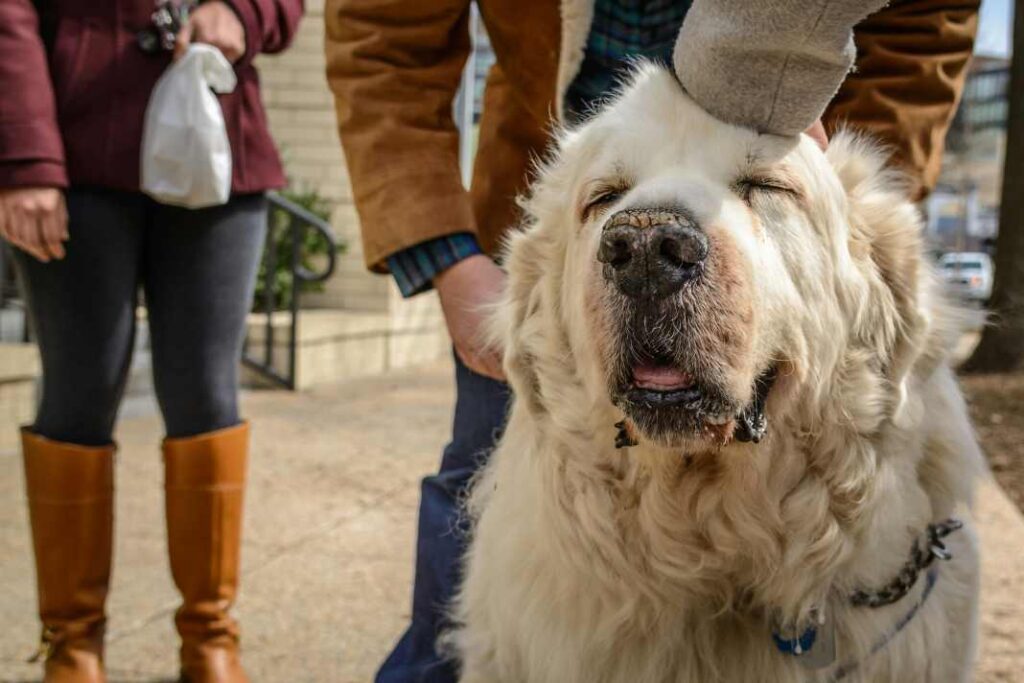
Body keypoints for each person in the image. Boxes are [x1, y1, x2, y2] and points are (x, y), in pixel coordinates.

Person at [324, 1, 979, 680]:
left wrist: (823, 180)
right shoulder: (545, 287)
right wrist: (446, 259)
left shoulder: (855, 256)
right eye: (616, 203)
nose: (647, 250)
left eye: (758, 186)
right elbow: (383, 35)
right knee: (466, 555)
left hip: (801, 116)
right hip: (543, 184)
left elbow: (926, 21)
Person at [0, 1, 302, 681]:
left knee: (206, 394)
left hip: (217, 149)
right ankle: (71, 642)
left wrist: (243, 12)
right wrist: (24, 157)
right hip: (73, 155)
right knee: (77, 395)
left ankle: (210, 638)